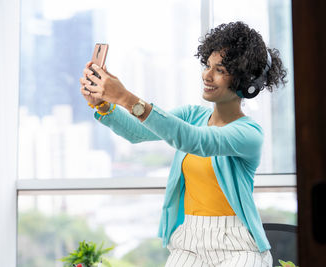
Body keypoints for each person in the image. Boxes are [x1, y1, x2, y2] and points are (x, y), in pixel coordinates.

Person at [79, 21, 287, 267]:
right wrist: (103, 104)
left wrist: (125, 97)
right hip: (189, 242)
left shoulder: (249, 133)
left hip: (237, 245)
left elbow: (195, 140)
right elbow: (138, 132)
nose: (206, 75)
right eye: (207, 66)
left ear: (245, 80)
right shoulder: (192, 115)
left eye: (219, 70)